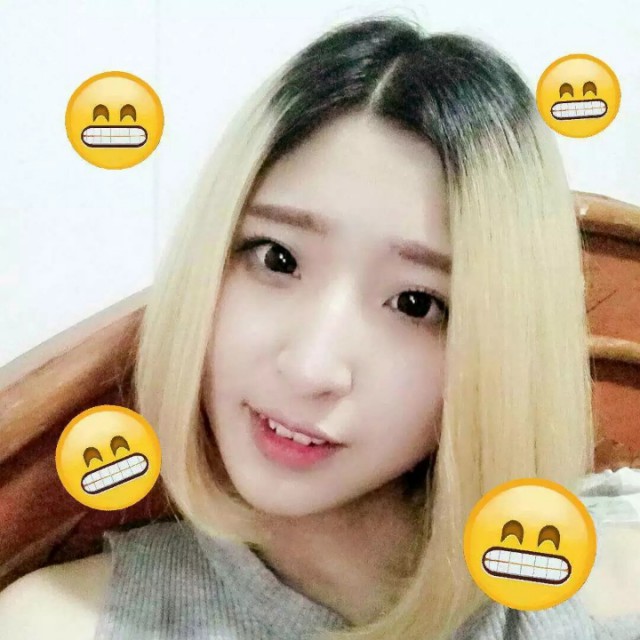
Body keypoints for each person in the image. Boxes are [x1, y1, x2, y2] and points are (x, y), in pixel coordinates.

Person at [1, 14, 640, 640]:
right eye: (278, 259)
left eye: (416, 303)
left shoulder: (614, 589)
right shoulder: (61, 623)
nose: (311, 368)